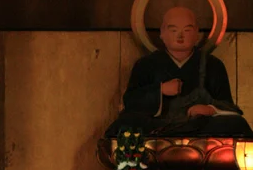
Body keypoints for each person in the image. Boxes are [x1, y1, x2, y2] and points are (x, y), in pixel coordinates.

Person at [105, 7, 253, 137]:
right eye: (173, 30)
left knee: (236, 123)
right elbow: (131, 101)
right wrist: (160, 90)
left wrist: (210, 109)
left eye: (187, 30)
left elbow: (228, 105)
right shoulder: (145, 64)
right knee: (126, 123)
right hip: (158, 125)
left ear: (197, 34)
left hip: (200, 126)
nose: (180, 36)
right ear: (162, 33)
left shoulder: (213, 65)